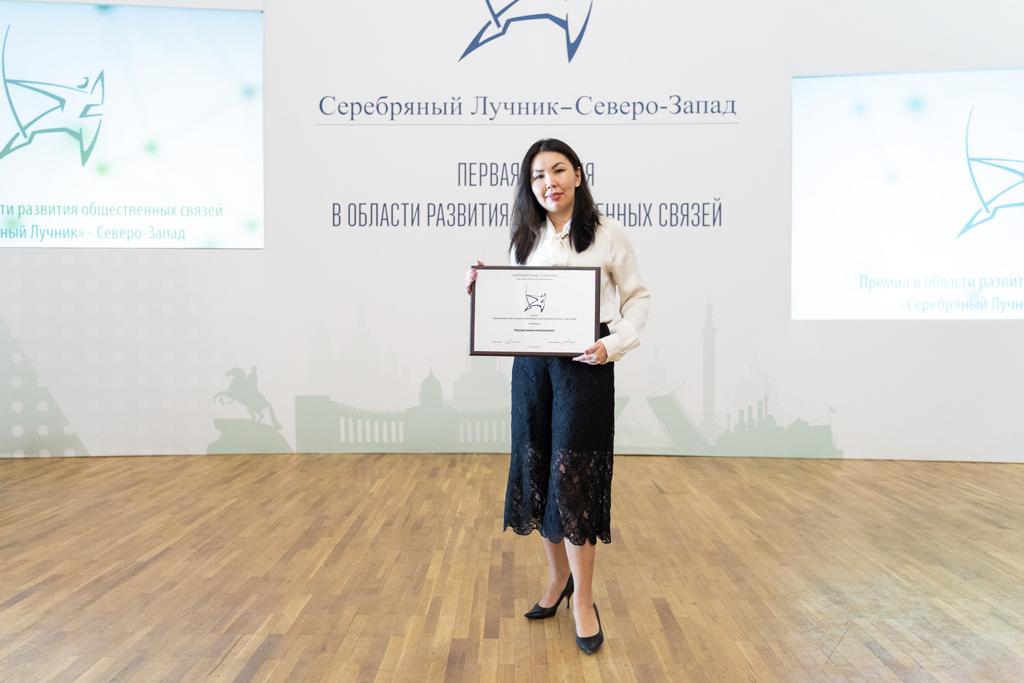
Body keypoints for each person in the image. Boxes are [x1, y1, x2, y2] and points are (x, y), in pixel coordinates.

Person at [466, 139, 651, 654]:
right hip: (531, 369)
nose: (549, 182)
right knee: (540, 470)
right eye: (537, 175)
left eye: (558, 170)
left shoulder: (608, 233)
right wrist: (485, 287)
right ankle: (557, 580)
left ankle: (584, 601)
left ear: (577, 175)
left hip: (585, 365)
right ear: (529, 186)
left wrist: (613, 344)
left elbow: (638, 299)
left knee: (574, 481)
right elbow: (519, 305)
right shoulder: (524, 237)